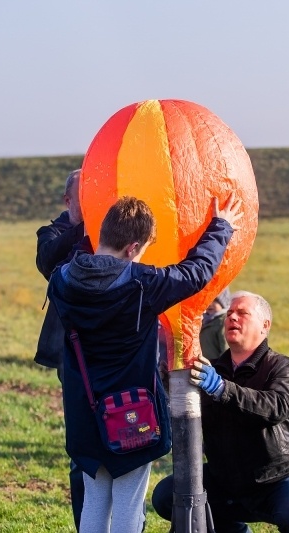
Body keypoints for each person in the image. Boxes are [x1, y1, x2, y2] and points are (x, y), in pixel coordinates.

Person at [47, 195, 242, 533]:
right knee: (128, 501)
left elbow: (67, 260)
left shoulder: (63, 278)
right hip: (130, 412)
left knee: (94, 499)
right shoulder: (142, 284)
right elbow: (195, 272)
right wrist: (220, 228)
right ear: (133, 247)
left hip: (83, 411)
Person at [152, 291, 289, 533]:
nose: (232, 316)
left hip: (282, 477)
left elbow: (275, 407)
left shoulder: (282, 367)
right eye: (230, 312)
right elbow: (182, 410)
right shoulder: (209, 369)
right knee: (165, 496)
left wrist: (223, 389)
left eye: (242, 313)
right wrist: (168, 380)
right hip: (228, 480)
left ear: (265, 326)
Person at [33, 169, 87, 529]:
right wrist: (83, 227)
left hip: (114, 348)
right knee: (82, 445)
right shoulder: (52, 233)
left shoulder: (108, 231)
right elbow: (48, 261)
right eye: (86, 191)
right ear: (68, 200)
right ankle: (86, 521)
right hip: (72, 351)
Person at [199, 287, 230, 360]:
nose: (210, 304)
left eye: (214, 300)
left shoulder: (223, 321)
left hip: (217, 364)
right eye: (207, 299)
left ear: (223, 303)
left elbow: (225, 347)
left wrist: (223, 364)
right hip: (205, 363)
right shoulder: (204, 319)